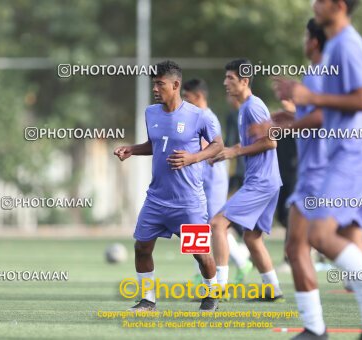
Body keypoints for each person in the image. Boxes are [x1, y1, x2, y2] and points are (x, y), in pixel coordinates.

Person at [274, 1, 362, 339]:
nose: (313, 4)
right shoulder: (337, 46)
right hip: (343, 154)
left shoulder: (346, 43)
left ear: (336, 5)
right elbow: (328, 111)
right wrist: (292, 118)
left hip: (349, 153)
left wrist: (305, 97)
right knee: (345, 238)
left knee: (318, 238)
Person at [114, 60, 224, 312]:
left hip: (188, 201)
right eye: (154, 83)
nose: (155, 88)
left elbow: (218, 145)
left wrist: (193, 157)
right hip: (156, 199)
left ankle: (212, 294)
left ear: (175, 85)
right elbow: (157, 145)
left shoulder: (199, 116)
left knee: (200, 254)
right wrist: (132, 149)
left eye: (159, 84)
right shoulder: (151, 113)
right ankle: (147, 300)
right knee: (142, 247)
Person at [251, 17, 328, 337]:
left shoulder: (326, 72)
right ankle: (315, 327)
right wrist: (290, 117)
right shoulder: (317, 74)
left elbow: (325, 118)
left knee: (307, 245)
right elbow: (318, 116)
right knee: (306, 245)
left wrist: (285, 125)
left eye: (305, 34)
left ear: (313, 40)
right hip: (317, 169)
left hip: (323, 169)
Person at [210, 58, 283, 301]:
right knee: (252, 238)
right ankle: (273, 290)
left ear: (244, 81)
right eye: (225, 78)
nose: (225, 83)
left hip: (261, 182)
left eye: (230, 78)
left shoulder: (253, 107)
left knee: (218, 224)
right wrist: (229, 151)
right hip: (267, 181)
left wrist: (235, 152)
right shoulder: (245, 108)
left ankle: (218, 288)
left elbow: (271, 141)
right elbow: (253, 143)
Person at [182, 78, 253, 285]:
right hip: (197, 177)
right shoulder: (193, 116)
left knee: (214, 226)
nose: (184, 101)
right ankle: (201, 271)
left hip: (212, 178)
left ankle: (240, 260)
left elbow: (208, 148)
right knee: (195, 224)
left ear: (198, 96)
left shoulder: (206, 117)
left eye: (187, 97)